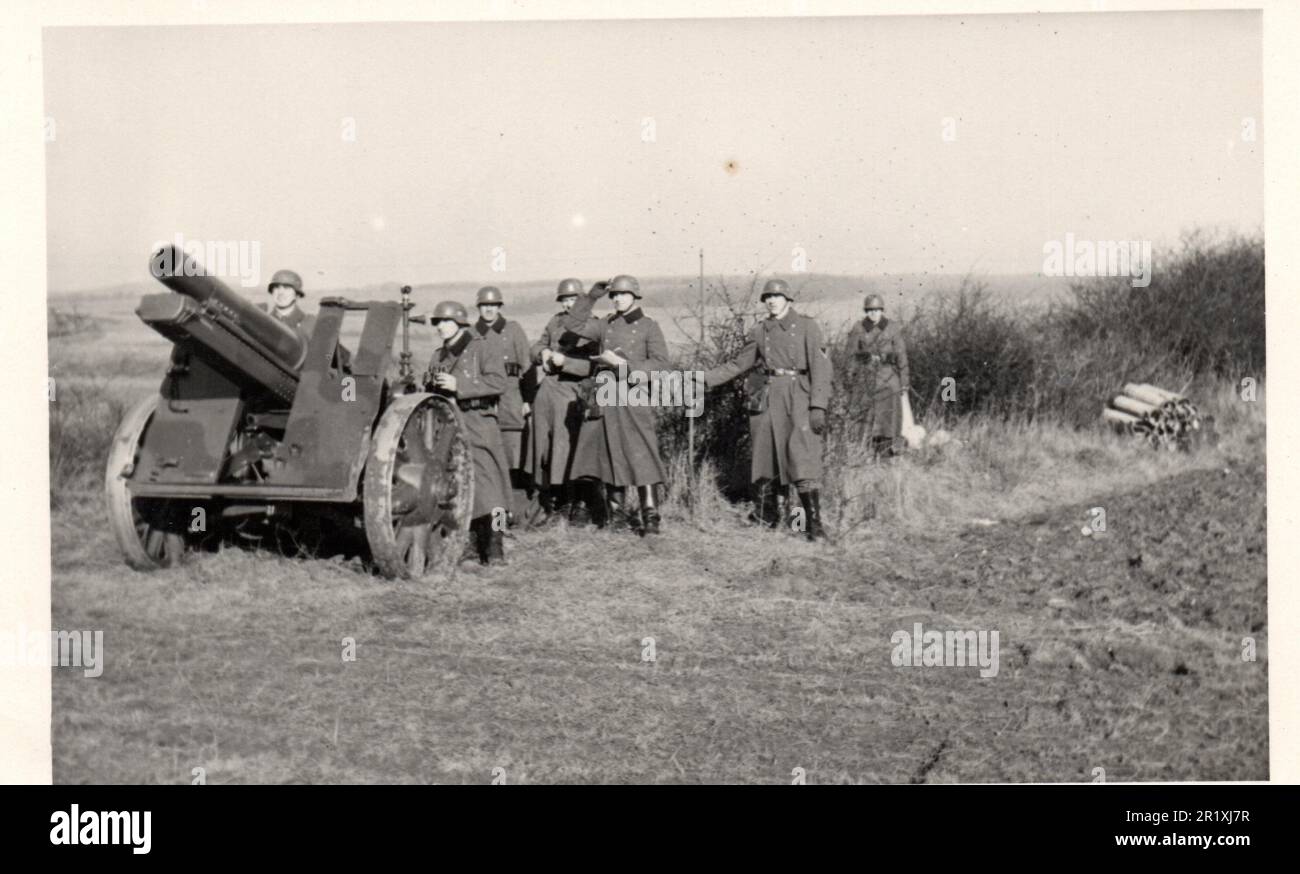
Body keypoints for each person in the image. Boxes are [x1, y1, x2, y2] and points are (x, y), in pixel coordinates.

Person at [703, 279, 832, 542]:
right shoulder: (760, 331)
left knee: (801, 457)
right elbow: (739, 364)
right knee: (767, 457)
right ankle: (768, 517)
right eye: (767, 297)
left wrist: (818, 405)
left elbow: (822, 369)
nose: (771, 301)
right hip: (768, 399)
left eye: (777, 296)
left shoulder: (807, 327)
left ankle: (813, 526)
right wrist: (703, 378)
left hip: (798, 398)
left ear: (788, 300)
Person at [558, 275, 669, 535]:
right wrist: (591, 297)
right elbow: (572, 326)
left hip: (633, 395)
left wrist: (624, 366)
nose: (617, 298)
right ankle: (616, 514)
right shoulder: (605, 325)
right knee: (610, 453)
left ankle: (650, 515)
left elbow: (661, 364)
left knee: (642, 453)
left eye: (623, 294)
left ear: (635, 296)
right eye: (614, 295)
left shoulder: (648, 326)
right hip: (606, 396)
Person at [425, 300, 513, 566]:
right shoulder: (438, 355)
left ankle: (496, 545)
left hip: (479, 420)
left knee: (493, 490)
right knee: (462, 485)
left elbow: (499, 382)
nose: (441, 327)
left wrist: (459, 384)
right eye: (437, 322)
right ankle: (472, 544)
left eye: (446, 321)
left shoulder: (481, 348)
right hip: (450, 423)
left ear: (461, 322)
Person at [525, 278, 603, 524]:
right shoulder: (556, 321)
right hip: (546, 389)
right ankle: (543, 499)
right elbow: (536, 346)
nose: (569, 304)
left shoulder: (595, 326)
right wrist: (542, 353)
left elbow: (595, 365)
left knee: (563, 446)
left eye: (574, 300)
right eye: (566, 300)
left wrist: (566, 363)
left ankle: (565, 502)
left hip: (571, 390)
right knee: (540, 445)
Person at [473, 286, 534, 525]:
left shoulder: (513, 330)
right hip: (483, 403)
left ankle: (514, 516)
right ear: (479, 307)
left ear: (500, 307)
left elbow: (528, 368)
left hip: (511, 400)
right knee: (487, 462)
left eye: (494, 305)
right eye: (485, 305)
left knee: (513, 460)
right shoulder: (471, 333)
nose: (489, 309)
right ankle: (489, 518)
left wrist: (528, 401)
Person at [845, 293, 910, 457]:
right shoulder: (858, 328)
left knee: (889, 417)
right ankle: (865, 450)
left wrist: (904, 381)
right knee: (865, 416)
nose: (873, 313)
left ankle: (887, 451)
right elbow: (850, 355)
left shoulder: (892, 327)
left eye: (877, 309)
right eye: (870, 310)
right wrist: (849, 377)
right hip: (866, 377)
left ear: (882, 310)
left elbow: (901, 355)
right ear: (865, 311)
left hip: (888, 376)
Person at [263, 269, 315, 341]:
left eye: (286, 288)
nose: (280, 292)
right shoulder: (263, 322)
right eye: (277, 287)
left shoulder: (308, 323)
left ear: (297, 295)